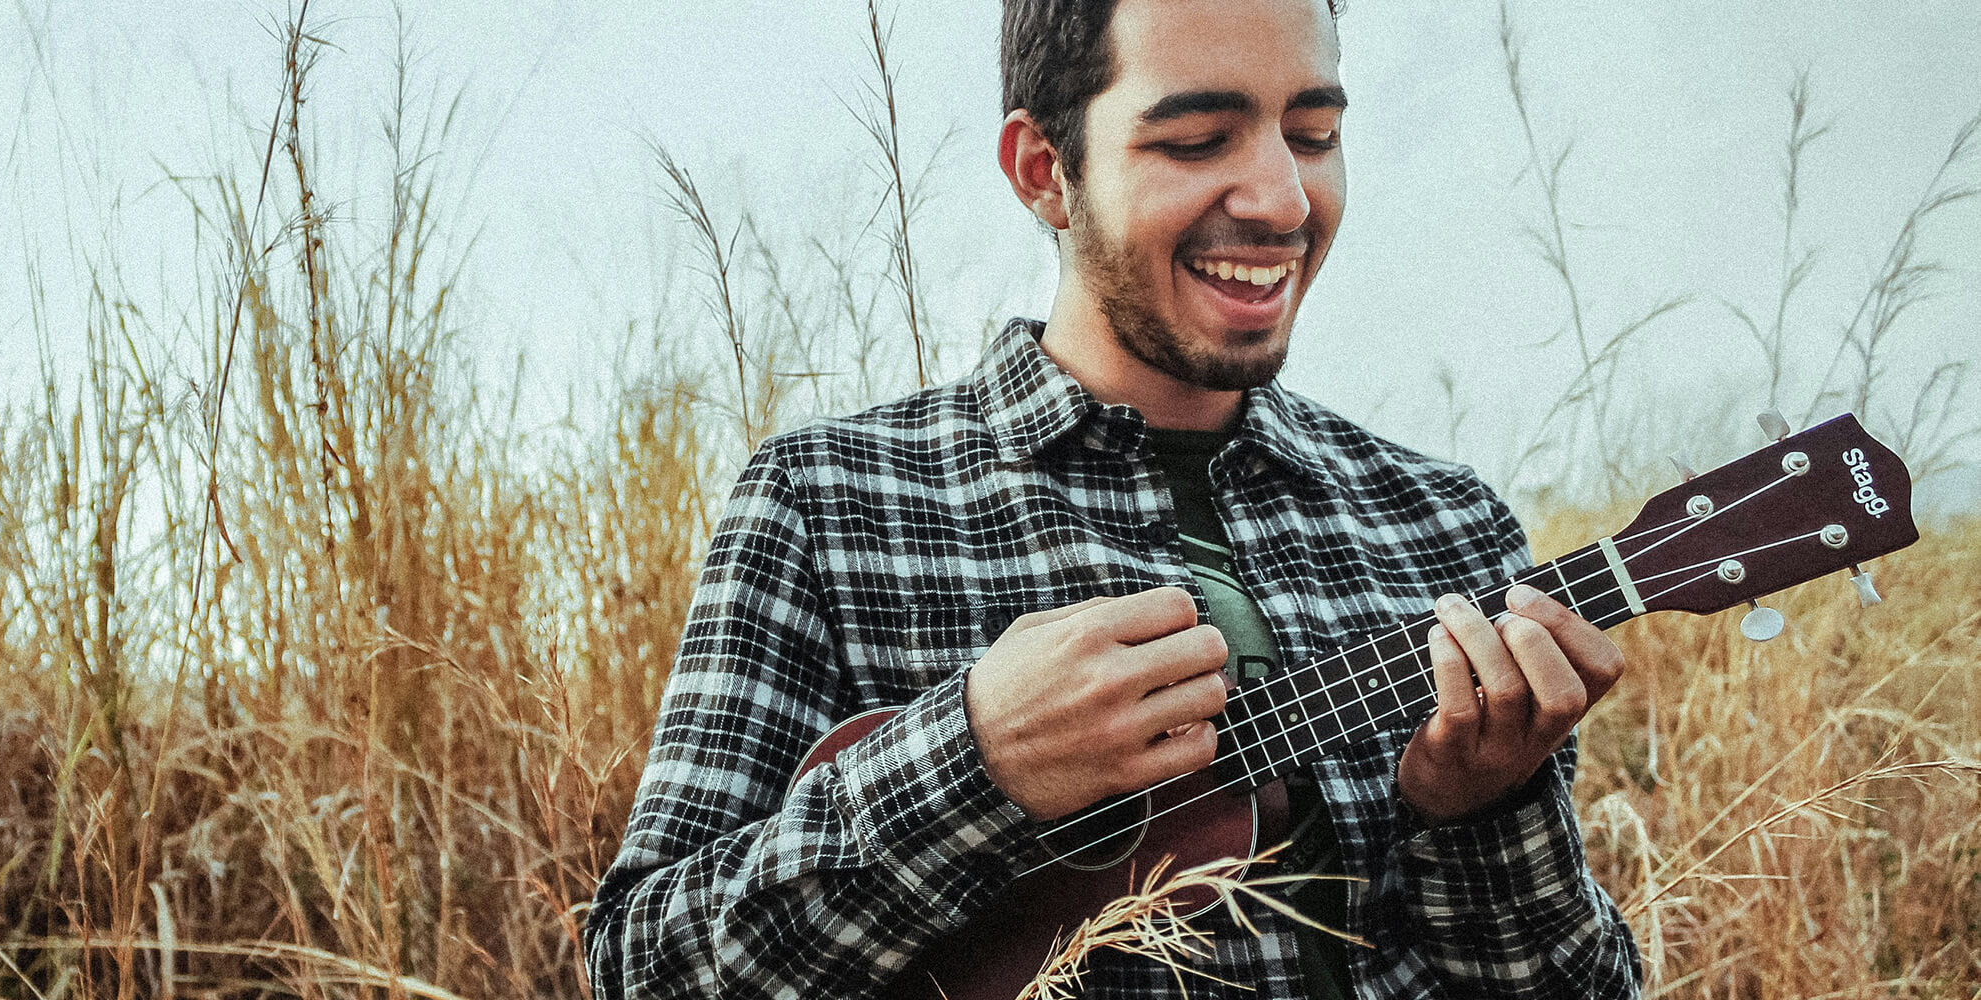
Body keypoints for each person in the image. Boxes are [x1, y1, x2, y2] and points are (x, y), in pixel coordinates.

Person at [584, 0, 1643, 996]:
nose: (1280, 200)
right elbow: (642, 965)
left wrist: (1485, 816)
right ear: (1045, 171)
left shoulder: (1444, 525)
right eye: (1195, 141)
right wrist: (972, 760)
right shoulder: (831, 501)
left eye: (1312, 134)